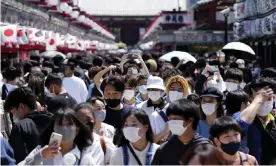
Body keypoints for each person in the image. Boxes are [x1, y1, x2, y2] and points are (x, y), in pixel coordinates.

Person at [19, 108, 96, 165]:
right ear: (53, 129)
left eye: (69, 124)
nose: (64, 128)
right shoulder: (41, 150)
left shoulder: (85, 159)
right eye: (60, 124)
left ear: (77, 130)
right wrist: (40, 156)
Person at [151, 99, 212, 165]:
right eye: (170, 119)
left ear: (190, 120)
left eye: (176, 118)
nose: (171, 122)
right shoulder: (164, 150)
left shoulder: (206, 148)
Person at [232, 78, 276, 164]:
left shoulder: (274, 120)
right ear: (251, 98)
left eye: (268, 97)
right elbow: (236, 126)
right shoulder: (243, 116)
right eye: (260, 96)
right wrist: (258, 100)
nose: (264, 100)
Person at [4, 87, 53, 163]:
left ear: (21, 107)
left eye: (12, 111)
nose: (12, 115)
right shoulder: (54, 120)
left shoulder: (19, 127)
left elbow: (17, 160)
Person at [100, 75, 133, 145]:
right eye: (108, 93)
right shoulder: (99, 114)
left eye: (115, 93)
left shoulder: (131, 112)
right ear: (103, 93)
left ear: (122, 93)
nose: (111, 97)